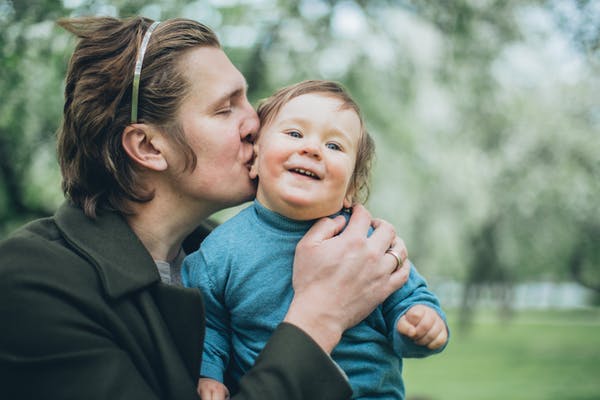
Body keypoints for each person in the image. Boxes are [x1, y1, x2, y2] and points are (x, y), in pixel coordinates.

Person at [0, 17, 413, 400]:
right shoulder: (34, 282)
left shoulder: (221, 254)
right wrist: (319, 316)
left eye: (246, 99)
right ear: (148, 147)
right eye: (225, 107)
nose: (256, 121)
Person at [182, 80, 449, 400]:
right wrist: (209, 373)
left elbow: (408, 297)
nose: (311, 148)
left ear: (352, 187)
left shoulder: (365, 243)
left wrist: (419, 323)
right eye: (294, 134)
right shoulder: (219, 250)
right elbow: (210, 325)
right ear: (253, 159)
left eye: (334, 146)